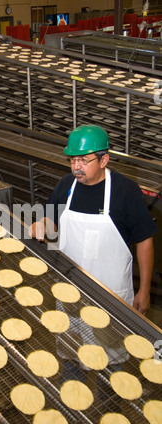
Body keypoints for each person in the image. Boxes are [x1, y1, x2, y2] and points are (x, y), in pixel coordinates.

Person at [29, 124, 158, 315]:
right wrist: (41, 225)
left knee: (113, 344)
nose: (76, 167)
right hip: (70, 287)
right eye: (72, 159)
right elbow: (51, 221)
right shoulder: (66, 185)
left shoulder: (125, 191)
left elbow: (144, 240)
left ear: (103, 160)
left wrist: (144, 290)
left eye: (83, 160)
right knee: (69, 339)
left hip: (111, 294)